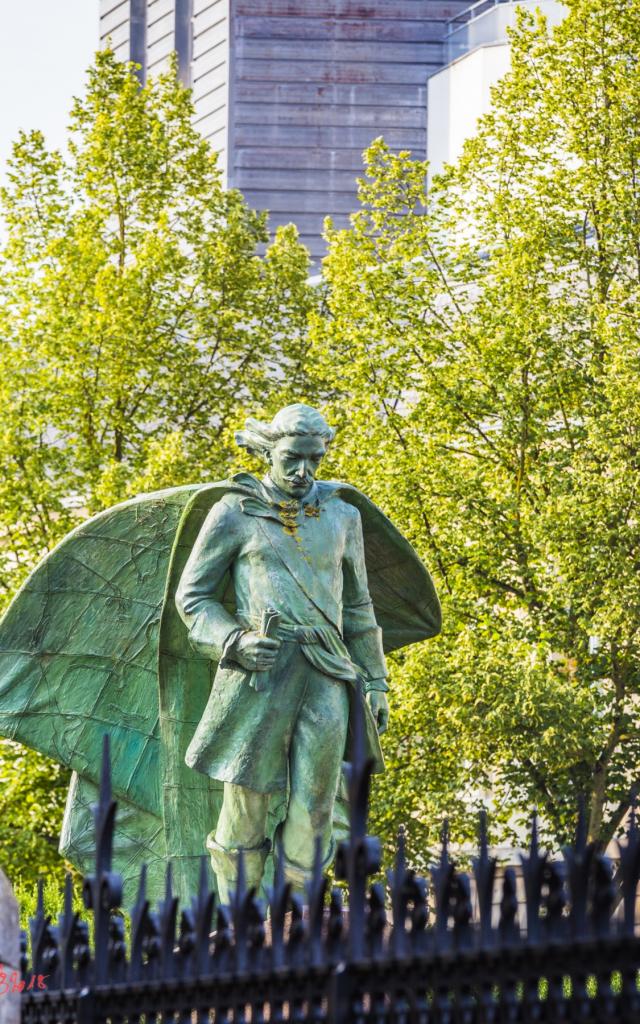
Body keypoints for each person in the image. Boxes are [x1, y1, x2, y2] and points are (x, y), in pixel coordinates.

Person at [175, 404, 391, 900]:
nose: (303, 471)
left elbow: (358, 605)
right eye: (293, 458)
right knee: (246, 800)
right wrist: (235, 640)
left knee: (317, 804)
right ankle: (239, 917)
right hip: (259, 674)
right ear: (268, 452)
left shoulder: (342, 515)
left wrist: (376, 680)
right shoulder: (233, 511)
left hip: (328, 671)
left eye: (314, 460)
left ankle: (299, 917)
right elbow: (194, 597)